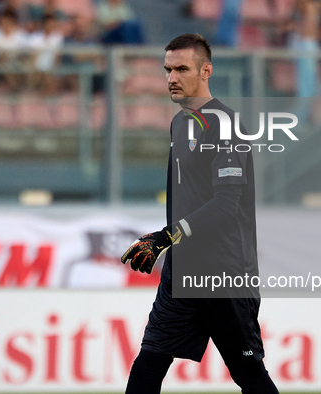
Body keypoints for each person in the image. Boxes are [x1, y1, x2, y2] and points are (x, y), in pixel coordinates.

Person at [120, 33, 279, 394]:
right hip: (182, 275)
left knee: (249, 375)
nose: (171, 78)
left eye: (181, 69)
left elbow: (226, 204)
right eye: (167, 70)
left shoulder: (223, 125)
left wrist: (167, 236)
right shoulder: (179, 124)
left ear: (205, 71)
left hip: (223, 275)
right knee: (146, 367)